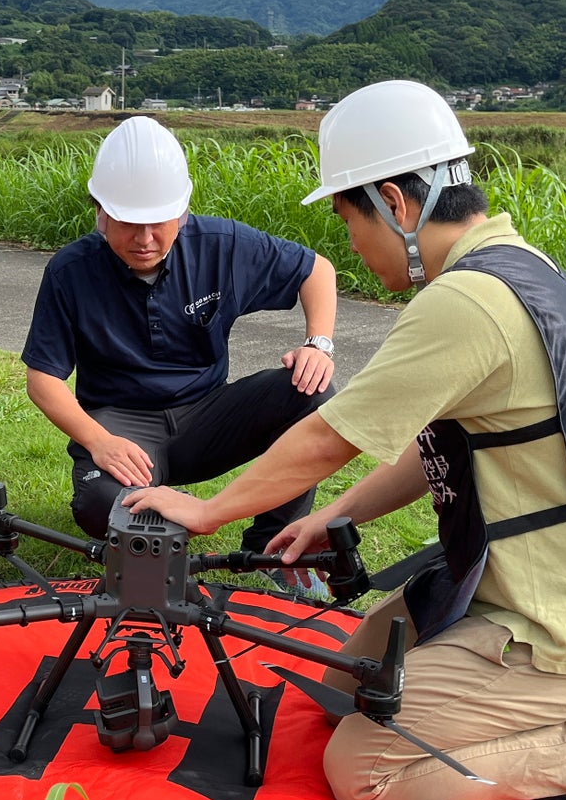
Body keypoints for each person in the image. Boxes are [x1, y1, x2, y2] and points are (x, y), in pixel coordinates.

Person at [125, 79, 566, 800]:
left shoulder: (465, 303)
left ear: (395, 203)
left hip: (560, 629)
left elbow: (326, 437)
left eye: (349, 221)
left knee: (364, 767)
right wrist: (335, 520)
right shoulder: (517, 268)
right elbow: (442, 444)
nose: (351, 248)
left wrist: (205, 510)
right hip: (538, 588)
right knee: (348, 681)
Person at [21, 116, 341, 587]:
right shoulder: (71, 271)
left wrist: (319, 344)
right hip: (123, 424)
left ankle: (271, 550)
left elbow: (317, 271)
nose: (144, 239)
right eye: (128, 222)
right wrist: (98, 441)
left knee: (311, 393)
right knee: (97, 504)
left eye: (159, 222)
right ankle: (160, 543)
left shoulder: (221, 245)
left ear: (183, 212)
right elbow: (43, 380)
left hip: (207, 415)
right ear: (100, 211)